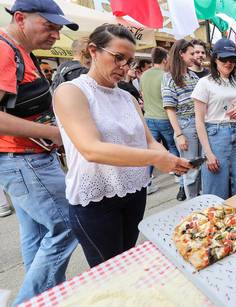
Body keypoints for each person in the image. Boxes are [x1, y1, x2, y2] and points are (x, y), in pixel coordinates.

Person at [53, 24, 191, 268]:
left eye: (129, 61)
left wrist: (171, 159)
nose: (124, 67)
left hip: (133, 191)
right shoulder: (72, 92)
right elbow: (91, 149)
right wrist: (155, 159)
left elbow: (148, 140)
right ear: (93, 51)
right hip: (95, 200)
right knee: (109, 270)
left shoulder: (126, 97)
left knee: (127, 260)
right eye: (118, 58)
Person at [0, 0, 79, 304]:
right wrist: (53, 133)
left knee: (36, 233)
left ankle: (45, 296)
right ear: (20, 18)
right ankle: (30, 300)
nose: (55, 35)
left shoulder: (21, 51)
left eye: (58, 29)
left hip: (24, 159)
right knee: (68, 224)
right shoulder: (5, 50)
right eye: (49, 26)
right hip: (22, 160)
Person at [192, 38, 236, 199]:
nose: (228, 63)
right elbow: (199, 121)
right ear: (214, 58)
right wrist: (208, 153)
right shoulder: (204, 83)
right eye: (224, 59)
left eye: (232, 59)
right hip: (216, 136)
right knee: (215, 192)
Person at [140, 46, 183, 198]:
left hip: (149, 118)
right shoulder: (166, 76)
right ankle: (179, 174)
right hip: (164, 118)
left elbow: (143, 96)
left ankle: (147, 182)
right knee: (172, 146)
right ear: (165, 59)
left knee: (152, 152)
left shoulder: (144, 75)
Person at [162, 39, 201, 199]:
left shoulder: (192, 75)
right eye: (191, 53)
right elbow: (170, 109)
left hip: (199, 124)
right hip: (185, 126)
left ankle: (199, 200)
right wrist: (179, 135)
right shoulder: (169, 77)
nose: (194, 56)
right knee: (190, 169)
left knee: (200, 166)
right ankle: (192, 205)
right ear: (181, 54)